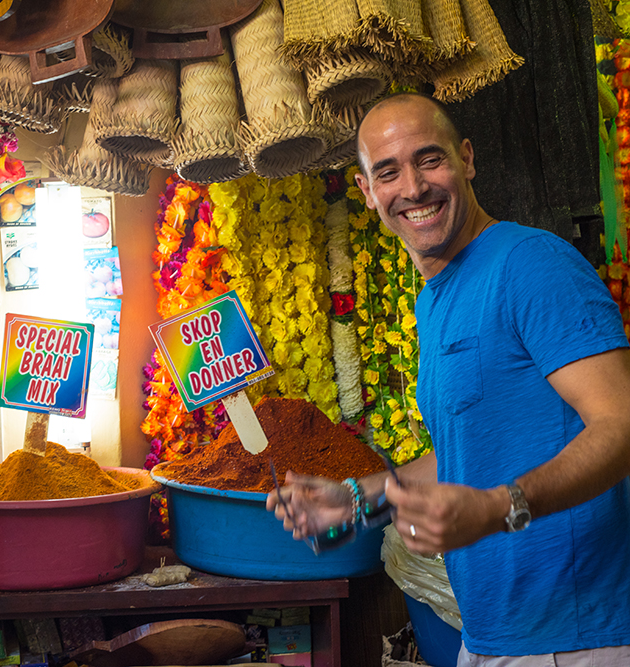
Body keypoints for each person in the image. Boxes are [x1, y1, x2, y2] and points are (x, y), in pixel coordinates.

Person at [267, 93, 630, 664]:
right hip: (493, 634)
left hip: (578, 637)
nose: (412, 188)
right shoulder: (436, 300)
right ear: (367, 194)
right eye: (387, 172)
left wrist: (500, 506)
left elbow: (622, 423)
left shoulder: (531, 263)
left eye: (429, 160)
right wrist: (359, 500)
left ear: (467, 159)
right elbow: (472, 452)